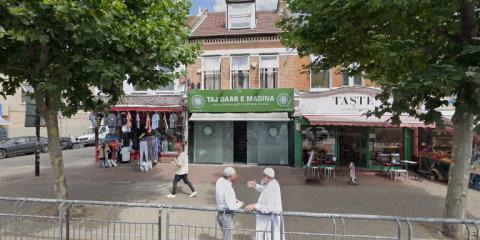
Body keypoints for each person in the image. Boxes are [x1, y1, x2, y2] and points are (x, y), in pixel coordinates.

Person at [245, 168, 284, 240]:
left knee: (270, 237)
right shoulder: (272, 182)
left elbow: (269, 208)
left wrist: (255, 206)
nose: (262, 177)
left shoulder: (272, 187)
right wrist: (255, 185)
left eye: (263, 176)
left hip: (271, 221)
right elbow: (264, 189)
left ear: (268, 177)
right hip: (268, 220)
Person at [216, 167, 244, 240]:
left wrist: (234, 199)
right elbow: (231, 206)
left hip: (220, 214)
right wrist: (240, 204)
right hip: (226, 216)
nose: (236, 176)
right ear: (230, 176)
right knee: (227, 238)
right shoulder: (227, 186)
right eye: (235, 175)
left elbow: (223, 196)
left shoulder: (220, 181)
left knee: (225, 236)